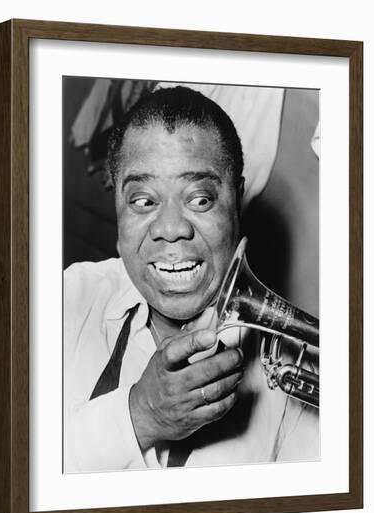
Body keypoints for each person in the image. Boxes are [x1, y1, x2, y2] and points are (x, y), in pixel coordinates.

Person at [64, 86, 319, 473]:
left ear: (237, 203)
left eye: (200, 199)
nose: (170, 229)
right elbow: (2, 472)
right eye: (143, 201)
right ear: (117, 211)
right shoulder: (65, 299)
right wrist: (139, 417)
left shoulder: (294, 367)